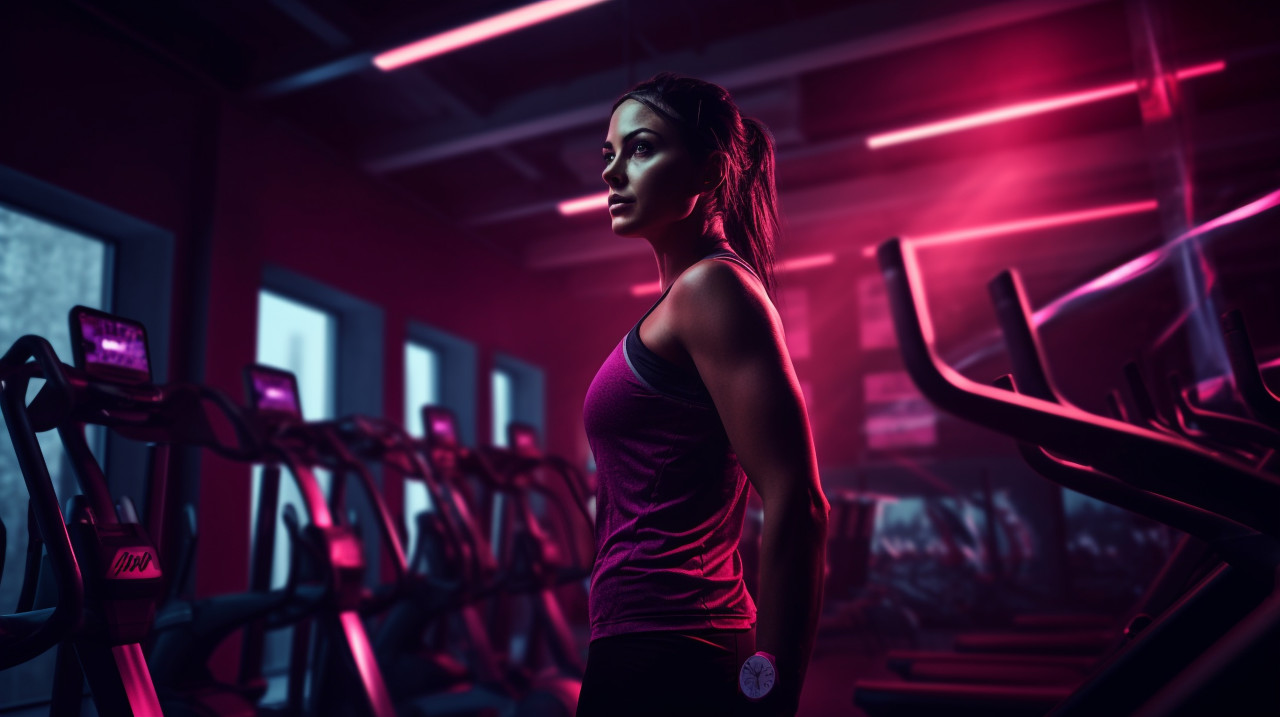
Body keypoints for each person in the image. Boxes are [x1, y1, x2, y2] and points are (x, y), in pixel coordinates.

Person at [578, 73, 829, 717]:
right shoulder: (687, 298)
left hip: (672, 646)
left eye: (639, 148)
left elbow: (797, 501)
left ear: (712, 171)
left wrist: (771, 692)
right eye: (608, 153)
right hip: (648, 637)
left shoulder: (711, 290)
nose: (610, 173)